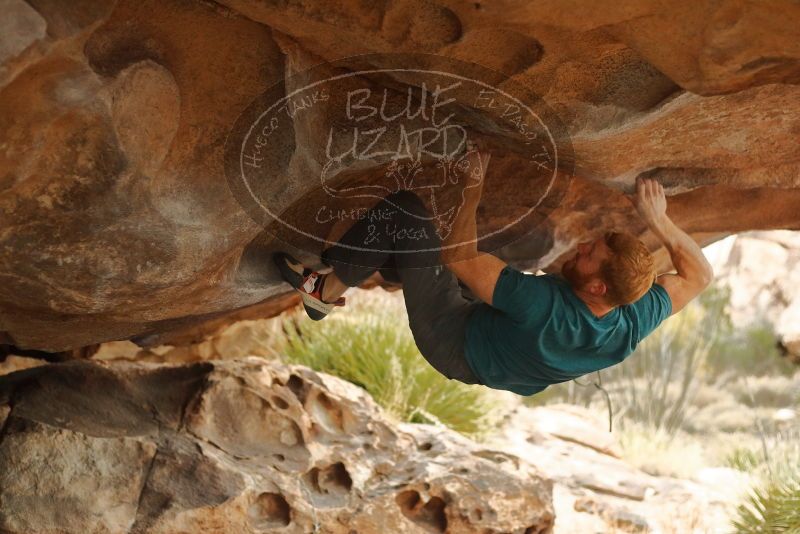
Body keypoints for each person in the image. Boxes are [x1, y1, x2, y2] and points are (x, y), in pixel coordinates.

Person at [274, 143, 714, 395]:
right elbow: (699, 277)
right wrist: (658, 221)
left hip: (454, 341)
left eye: (587, 255)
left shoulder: (544, 306)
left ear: (597, 287)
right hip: (496, 338)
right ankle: (391, 266)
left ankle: (323, 291)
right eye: (590, 243)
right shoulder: (633, 314)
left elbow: (459, 258)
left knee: (407, 213)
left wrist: (472, 187)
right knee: (444, 254)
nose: (580, 248)